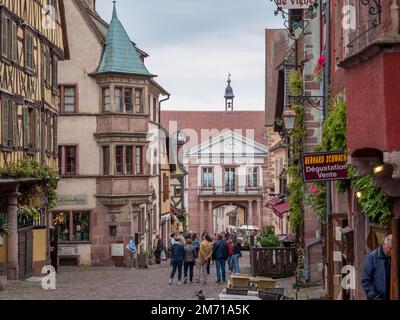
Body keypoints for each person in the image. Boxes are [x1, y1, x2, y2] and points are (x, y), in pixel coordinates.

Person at [362, 234, 393, 300]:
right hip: (377, 297)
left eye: (393, 249)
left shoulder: (394, 256)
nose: (392, 251)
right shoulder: (372, 257)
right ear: (384, 244)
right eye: (390, 248)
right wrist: (374, 297)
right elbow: (365, 280)